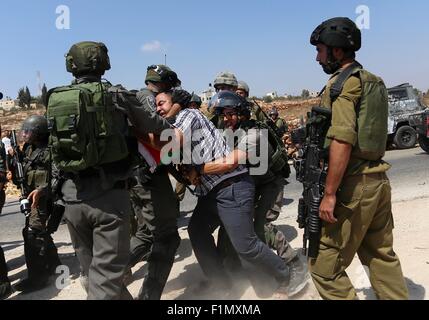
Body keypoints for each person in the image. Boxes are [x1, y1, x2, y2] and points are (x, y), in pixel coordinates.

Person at [148, 89, 305, 298]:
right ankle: (220, 283)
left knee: (247, 244)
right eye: (223, 114)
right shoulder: (216, 129)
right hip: (214, 191)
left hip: (242, 186)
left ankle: (287, 273)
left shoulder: (249, 131)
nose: (226, 118)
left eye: (162, 103)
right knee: (197, 230)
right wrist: (187, 172)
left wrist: (198, 169)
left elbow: (229, 162)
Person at [48, 41, 172, 300]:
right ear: (103, 63)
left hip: (71, 197)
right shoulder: (117, 95)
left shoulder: (58, 99)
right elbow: (155, 124)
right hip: (108, 199)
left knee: (94, 273)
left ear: (71, 64)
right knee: (105, 281)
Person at [308, 17, 409, 300]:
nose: (317, 57)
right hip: (377, 180)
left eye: (320, 50)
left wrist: (329, 194)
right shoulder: (372, 81)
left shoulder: (343, 85)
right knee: (380, 256)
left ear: (337, 51)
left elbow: (342, 139)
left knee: (323, 267)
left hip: (353, 185)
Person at [126, 64, 181, 300]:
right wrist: (176, 108)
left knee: (148, 234)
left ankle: (101, 273)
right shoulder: (147, 99)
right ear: (166, 84)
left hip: (135, 177)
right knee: (167, 238)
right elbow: (163, 137)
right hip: (148, 178)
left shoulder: (136, 98)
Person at [10, 115, 62, 293]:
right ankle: (55, 265)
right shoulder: (28, 149)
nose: (25, 134)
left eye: (28, 131)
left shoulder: (50, 150)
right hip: (32, 198)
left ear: (39, 133)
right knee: (39, 232)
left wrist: (43, 191)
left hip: (47, 199)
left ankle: (38, 278)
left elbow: (57, 176)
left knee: (33, 234)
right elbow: (22, 175)